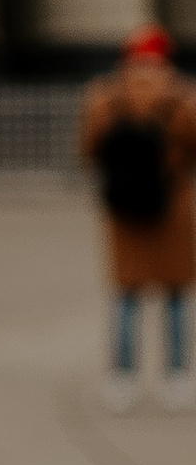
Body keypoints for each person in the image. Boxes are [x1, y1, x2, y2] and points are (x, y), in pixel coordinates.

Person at [78, 22, 196, 409]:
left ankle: (122, 381)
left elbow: (89, 150)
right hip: (173, 207)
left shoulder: (105, 96)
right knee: (176, 293)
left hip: (124, 207)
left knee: (126, 294)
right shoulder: (183, 96)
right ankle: (177, 379)